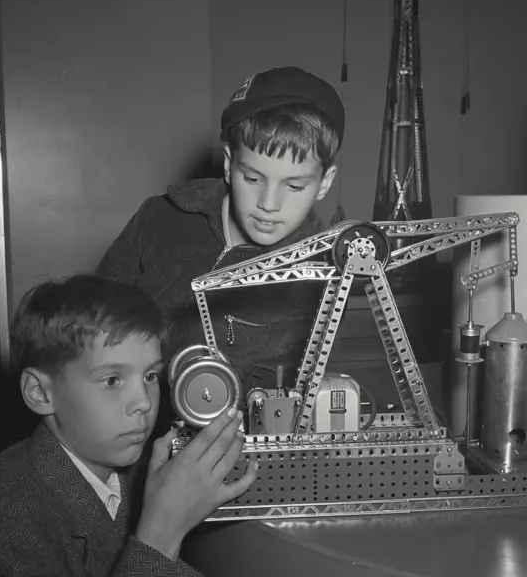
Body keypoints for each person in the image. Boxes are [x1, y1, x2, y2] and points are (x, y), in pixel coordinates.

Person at [0, 274, 257, 577]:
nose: (143, 401)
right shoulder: (1, 523)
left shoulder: (128, 473)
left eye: (151, 376)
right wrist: (161, 531)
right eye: (112, 380)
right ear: (39, 393)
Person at [97, 66, 345, 429]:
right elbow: (95, 327)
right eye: (253, 178)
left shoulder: (321, 277)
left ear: (324, 184)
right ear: (229, 165)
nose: (269, 204)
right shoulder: (160, 218)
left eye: (294, 187)